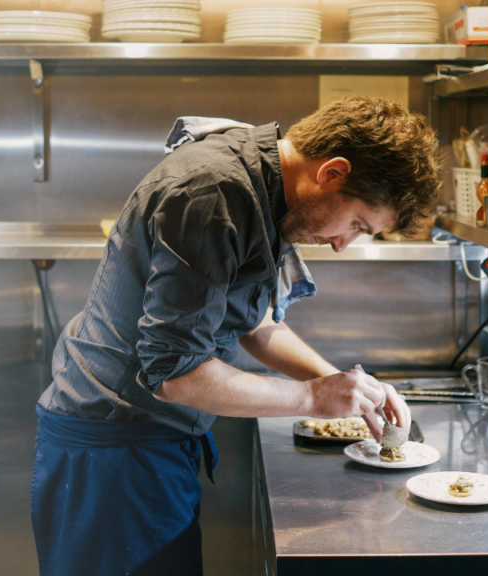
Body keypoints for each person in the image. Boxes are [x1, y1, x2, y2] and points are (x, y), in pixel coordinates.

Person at [31, 96, 441, 576]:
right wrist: (313, 397)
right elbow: (176, 375)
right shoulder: (213, 193)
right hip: (112, 457)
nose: (340, 243)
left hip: (147, 447)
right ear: (332, 172)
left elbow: (252, 321)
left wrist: (345, 387)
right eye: (355, 224)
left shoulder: (264, 183)